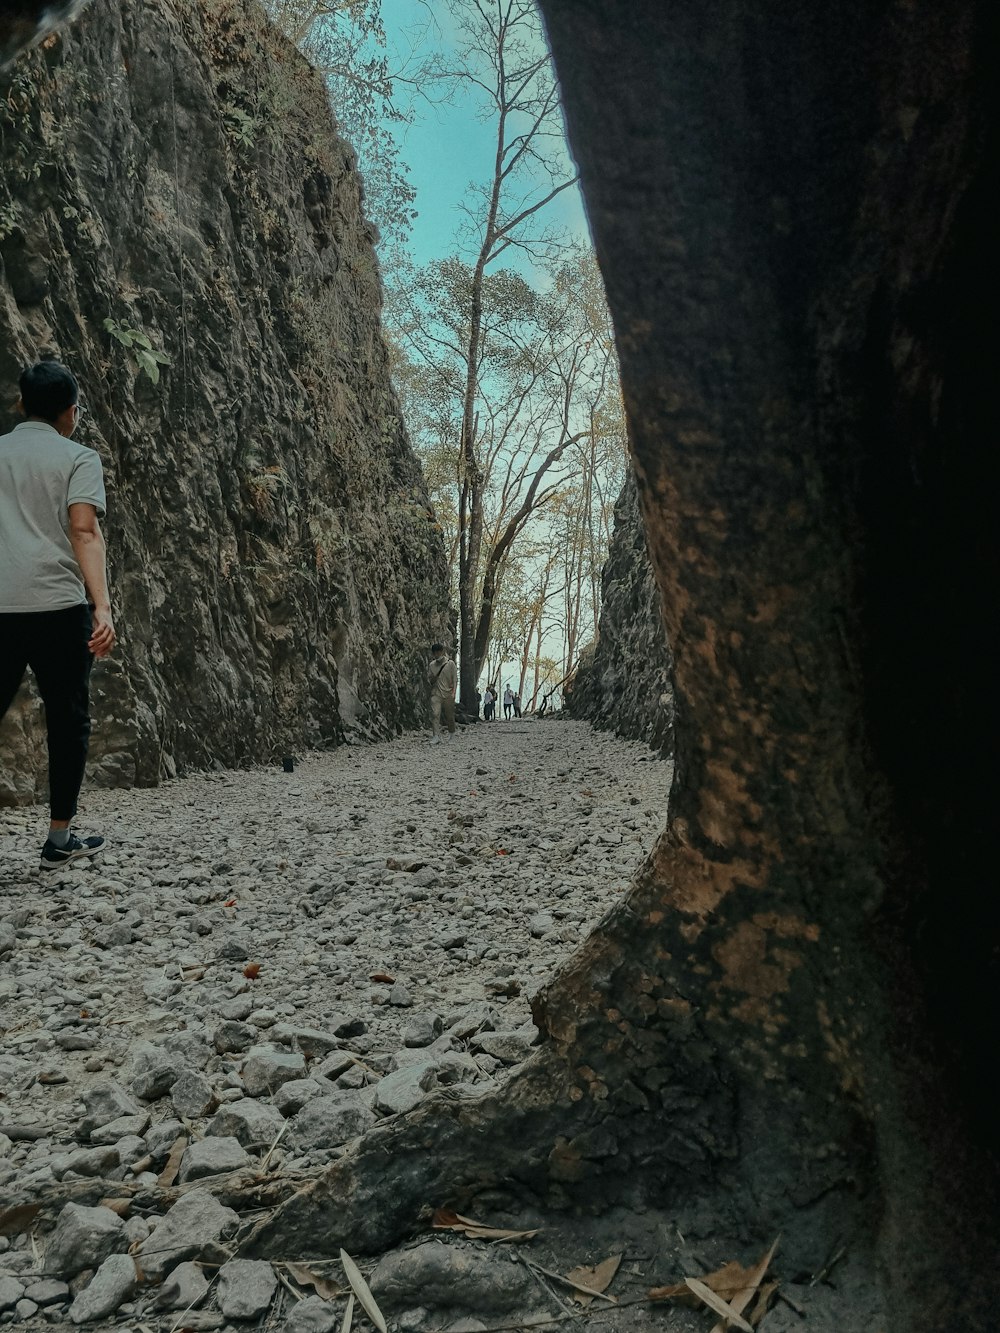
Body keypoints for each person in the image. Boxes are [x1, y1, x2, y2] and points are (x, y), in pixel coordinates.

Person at [0, 361, 116, 868]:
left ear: (20, 404)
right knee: (68, 721)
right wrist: (102, 606)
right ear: (70, 412)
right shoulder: (79, 457)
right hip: (59, 606)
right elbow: (84, 531)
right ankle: (58, 840)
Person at [427, 642, 457, 744]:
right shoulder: (432, 665)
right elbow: (430, 680)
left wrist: (454, 693)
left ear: (442, 652)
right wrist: (432, 678)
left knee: (449, 715)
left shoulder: (450, 664)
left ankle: (452, 734)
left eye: (438, 652)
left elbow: (455, 679)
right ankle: (436, 736)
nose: (436, 655)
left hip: (448, 693)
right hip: (436, 693)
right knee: (435, 714)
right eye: (434, 653)